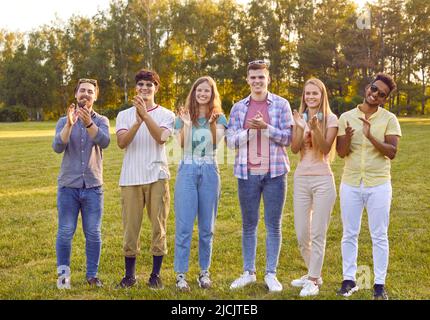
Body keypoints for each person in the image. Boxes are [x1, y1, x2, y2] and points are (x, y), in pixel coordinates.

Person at [226, 60, 293, 292]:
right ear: (248, 79)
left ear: (268, 79)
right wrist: (250, 131)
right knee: (249, 224)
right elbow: (230, 141)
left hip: (275, 172)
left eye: (261, 77)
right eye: (253, 77)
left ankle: (271, 274)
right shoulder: (238, 108)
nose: (257, 81)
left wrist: (265, 127)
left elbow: (288, 138)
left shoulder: (281, 105)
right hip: (247, 173)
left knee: (273, 224)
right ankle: (248, 272)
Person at [336, 73, 401, 300]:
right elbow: (341, 152)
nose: (375, 95)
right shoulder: (346, 117)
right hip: (351, 183)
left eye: (381, 94)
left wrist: (370, 136)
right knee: (349, 233)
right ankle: (348, 280)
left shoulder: (389, 119)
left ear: (384, 99)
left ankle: (379, 285)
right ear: (368, 87)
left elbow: (392, 152)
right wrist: (347, 137)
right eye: (374, 89)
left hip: (379, 185)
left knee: (379, 235)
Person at [115, 69, 175, 289]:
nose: (145, 88)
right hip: (131, 178)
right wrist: (137, 121)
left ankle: (155, 275)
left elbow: (161, 138)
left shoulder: (167, 115)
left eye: (149, 85)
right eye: (141, 84)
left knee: (158, 226)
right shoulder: (124, 115)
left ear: (156, 88)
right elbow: (122, 143)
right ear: (136, 88)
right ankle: (130, 276)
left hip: (157, 177)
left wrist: (146, 115)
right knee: (130, 228)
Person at [52, 78, 110, 289]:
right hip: (68, 187)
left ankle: (92, 275)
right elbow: (58, 146)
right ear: (76, 94)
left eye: (90, 91)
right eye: (82, 91)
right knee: (66, 232)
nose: (86, 94)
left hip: (93, 187)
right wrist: (69, 124)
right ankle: (63, 277)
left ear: (95, 96)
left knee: (93, 233)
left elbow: (104, 142)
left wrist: (88, 123)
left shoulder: (102, 120)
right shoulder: (62, 121)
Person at [173, 76, 228, 291]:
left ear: (212, 94)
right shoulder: (183, 117)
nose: (203, 94)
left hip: (209, 170)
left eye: (207, 91)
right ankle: (181, 275)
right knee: (184, 226)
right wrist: (186, 124)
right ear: (194, 93)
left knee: (207, 228)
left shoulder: (220, 118)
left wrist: (213, 123)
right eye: (199, 90)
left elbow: (214, 144)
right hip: (187, 169)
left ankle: (204, 272)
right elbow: (184, 146)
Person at [290, 78, 338, 297]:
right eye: (307, 93)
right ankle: (314, 273)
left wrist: (316, 128)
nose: (310, 97)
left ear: (322, 95)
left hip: (322, 180)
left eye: (314, 93)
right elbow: (294, 148)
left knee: (318, 233)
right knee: (302, 233)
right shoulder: (299, 118)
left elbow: (325, 148)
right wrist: (300, 128)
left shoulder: (331, 119)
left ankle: (312, 280)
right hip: (301, 179)